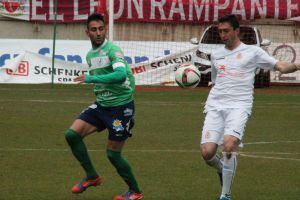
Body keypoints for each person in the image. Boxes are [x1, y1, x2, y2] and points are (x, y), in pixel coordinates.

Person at [200, 14, 300, 200]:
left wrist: (296, 65)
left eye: (226, 31)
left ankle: (225, 194)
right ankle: (222, 169)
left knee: (229, 145)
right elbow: (216, 81)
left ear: (237, 31)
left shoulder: (253, 52)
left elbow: (280, 66)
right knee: (207, 153)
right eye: (220, 31)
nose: (222, 35)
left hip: (239, 105)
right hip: (215, 105)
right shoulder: (216, 55)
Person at [65, 13, 143, 200]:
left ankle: (135, 191)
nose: (98, 33)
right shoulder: (91, 54)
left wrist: (90, 78)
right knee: (72, 135)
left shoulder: (112, 50)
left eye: (101, 29)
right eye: (94, 29)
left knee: (113, 154)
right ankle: (92, 176)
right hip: (101, 106)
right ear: (87, 32)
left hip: (120, 109)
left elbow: (121, 75)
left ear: (105, 30)